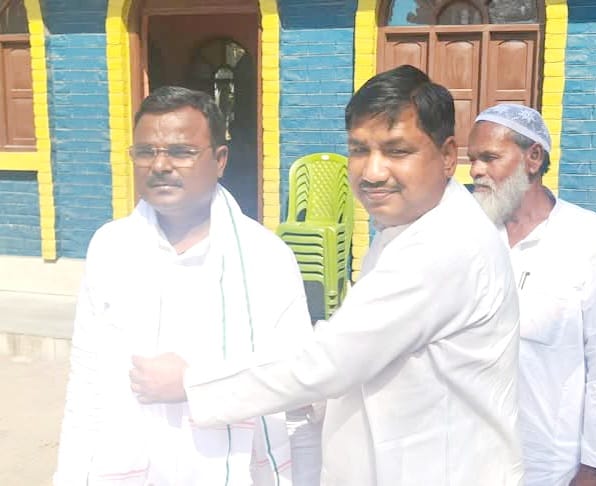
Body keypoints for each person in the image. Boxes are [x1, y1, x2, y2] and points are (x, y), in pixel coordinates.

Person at [128, 65, 524, 485]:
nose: (372, 172)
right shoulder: (412, 227)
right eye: (359, 149)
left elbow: (330, 361)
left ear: (446, 156)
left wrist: (191, 384)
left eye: (397, 151)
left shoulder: (443, 246)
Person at [54, 86, 320, 486]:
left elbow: (295, 388)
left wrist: (194, 383)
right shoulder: (110, 248)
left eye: (181, 152)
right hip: (129, 470)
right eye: (146, 152)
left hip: (235, 470)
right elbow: (87, 381)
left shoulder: (265, 257)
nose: (160, 165)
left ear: (219, 160)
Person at [467, 104, 596, 486]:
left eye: (490, 157)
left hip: (548, 462)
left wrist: (595, 466)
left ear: (533, 157)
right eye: (473, 159)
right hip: (467, 456)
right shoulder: (468, 235)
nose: (476, 170)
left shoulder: (588, 237)